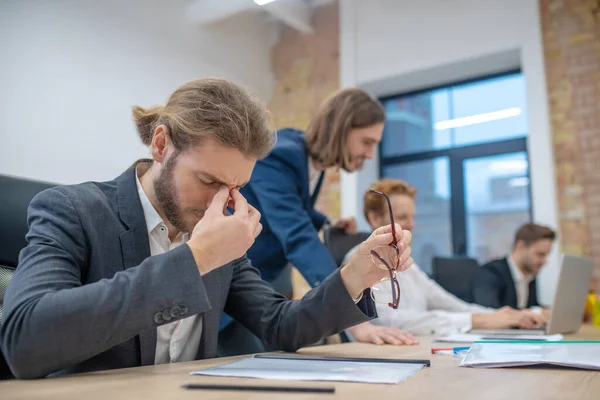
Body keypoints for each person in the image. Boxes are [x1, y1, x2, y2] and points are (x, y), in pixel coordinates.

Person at [0, 78, 414, 379]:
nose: (223, 203)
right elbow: (24, 342)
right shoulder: (72, 211)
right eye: (209, 182)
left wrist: (353, 277)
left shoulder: (221, 233)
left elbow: (282, 325)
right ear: (161, 145)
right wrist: (195, 259)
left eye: (235, 187)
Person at [219, 88, 417, 351]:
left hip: (265, 282)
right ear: (341, 129)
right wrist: (357, 322)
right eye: (367, 142)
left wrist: (327, 222)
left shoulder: (308, 161)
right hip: (235, 285)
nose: (370, 154)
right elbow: (298, 237)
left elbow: (293, 206)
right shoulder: (281, 155)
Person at [343, 179, 546, 336]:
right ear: (374, 218)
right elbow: (388, 321)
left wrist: (503, 316)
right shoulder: (359, 261)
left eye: (413, 217)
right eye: (403, 217)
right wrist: (477, 321)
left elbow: (450, 303)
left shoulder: (405, 264)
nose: (411, 225)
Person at [472, 223, 556, 310]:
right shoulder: (490, 273)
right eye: (540, 254)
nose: (544, 261)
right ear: (520, 246)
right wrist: (537, 313)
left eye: (546, 256)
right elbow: (492, 313)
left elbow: (530, 307)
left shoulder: (529, 274)